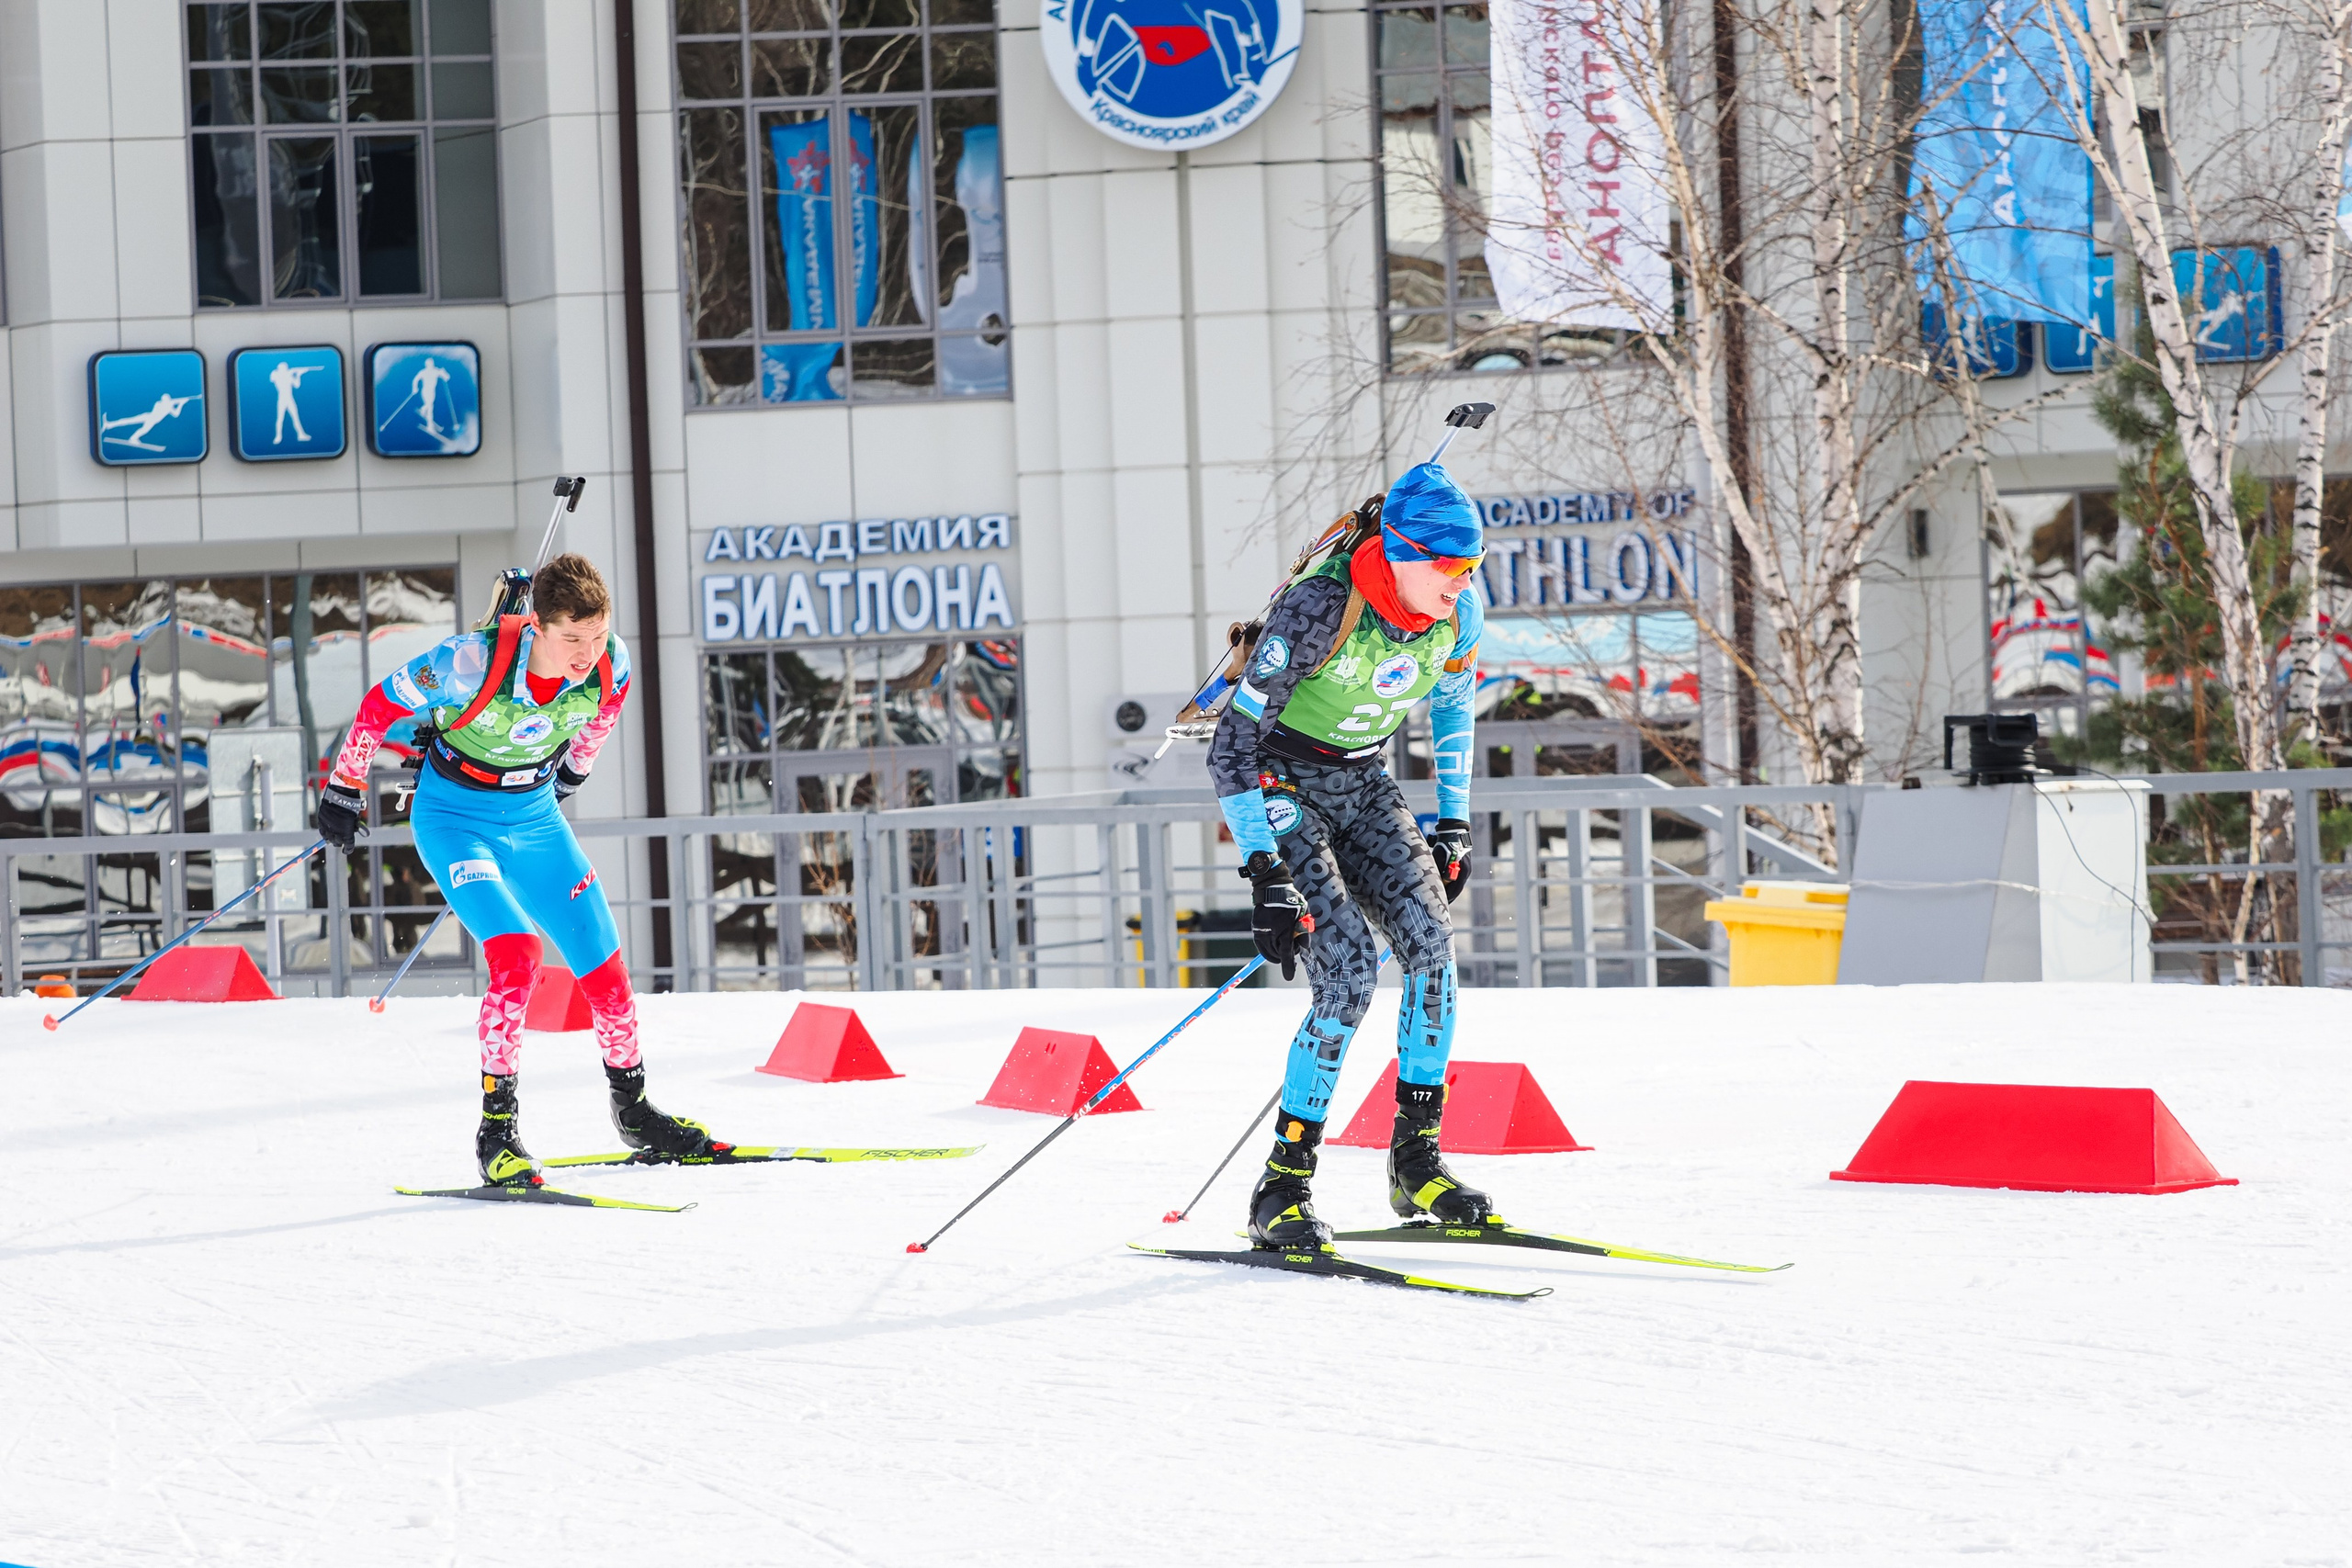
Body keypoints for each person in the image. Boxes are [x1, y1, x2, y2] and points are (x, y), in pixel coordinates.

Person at [315, 555, 717, 1187]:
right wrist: (343, 786)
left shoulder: (613, 659)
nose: (588, 652)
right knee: (518, 955)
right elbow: (378, 704)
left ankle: (636, 1113)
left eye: (597, 633)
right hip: (455, 820)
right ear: (537, 624)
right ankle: (497, 1131)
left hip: (534, 821)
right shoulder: (469, 662)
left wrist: (575, 770)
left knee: (607, 972)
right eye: (571, 638)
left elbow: (604, 714)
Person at [1208, 462, 1491, 1247]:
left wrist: (1454, 821)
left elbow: (1453, 700)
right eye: (1448, 566)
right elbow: (1231, 745)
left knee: (1434, 955)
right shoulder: (1322, 605)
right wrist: (1265, 872)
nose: (1462, 582)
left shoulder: (1457, 613)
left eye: (1472, 567)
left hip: (1361, 775)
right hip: (1282, 775)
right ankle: (1283, 1187)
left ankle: (1415, 1161)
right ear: (1400, 551)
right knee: (1348, 973)